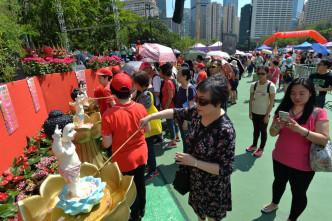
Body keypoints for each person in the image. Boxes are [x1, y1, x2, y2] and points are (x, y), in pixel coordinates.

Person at [139, 75, 235, 221]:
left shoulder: (225, 130)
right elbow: (175, 112)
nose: (197, 104)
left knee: (211, 217)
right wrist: (150, 117)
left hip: (213, 186)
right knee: (199, 213)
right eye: (196, 99)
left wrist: (193, 162)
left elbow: (225, 169)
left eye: (203, 101)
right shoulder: (198, 112)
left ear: (219, 102)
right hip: (196, 179)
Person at [262, 78, 330, 221]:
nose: (296, 97)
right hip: (280, 157)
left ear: (311, 93)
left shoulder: (319, 113)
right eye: (292, 93)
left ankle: (292, 218)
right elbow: (272, 133)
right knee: (278, 182)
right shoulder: (283, 110)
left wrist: (301, 130)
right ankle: (275, 203)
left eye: (301, 93)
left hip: (303, 165)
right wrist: (277, 127)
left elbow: (324, 139)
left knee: (298, 193)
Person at [101, 73, 150, 221]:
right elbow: (147, 129)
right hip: (141, 153)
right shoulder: (140, 107)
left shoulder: (108, 115)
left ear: (114, 93)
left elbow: (106, 144)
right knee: (140, 183)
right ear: (131, 89)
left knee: (130, 189)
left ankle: (134, 215)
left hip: (124, 159)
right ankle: (142, 208)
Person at [132, 71, 159, 181]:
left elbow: (142, 111)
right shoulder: (142, 92)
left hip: (148, 126)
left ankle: (154, 170)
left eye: (135, 83)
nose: (134, 85)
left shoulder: (145, 94)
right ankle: (150, 166)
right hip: (146, 125)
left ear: (140, 83)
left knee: (149, 149)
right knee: (148, 147)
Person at [247, 65, 276, 157]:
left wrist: (268, 115)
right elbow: (251, 100)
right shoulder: (254, 85)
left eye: (262, 74)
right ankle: (254, 145)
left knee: (263, 130)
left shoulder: (270, 86)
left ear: (267, 74)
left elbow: (272, 102)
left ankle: (261, 148)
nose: (260, 75)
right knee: (255, 129)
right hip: (255, 111)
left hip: (264, 113)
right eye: (258, 73)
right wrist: (250, 112)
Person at [175, 67, 196, 153]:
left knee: (188, 141)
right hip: (180, 117)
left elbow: (191, 107)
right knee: (184, 140)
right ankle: (185, 159)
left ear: (185, 76)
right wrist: (176, 116)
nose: (177, 76)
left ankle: (187, 161)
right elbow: (178, 104)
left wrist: (186, 121)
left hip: (186, 120)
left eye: (179, 74)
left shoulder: (190, 89)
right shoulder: (180, 88)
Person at [159, 63, 180, 148]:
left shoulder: (168, 82)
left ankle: (173, 141)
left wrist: (166, 107)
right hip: (172, 106)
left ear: (163, 72)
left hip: (170, 107)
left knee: (170, 124)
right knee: (174, 123)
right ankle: (177, 136)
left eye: (160, 71)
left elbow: (170, 96)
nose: (159, 73)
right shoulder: (171, 79)